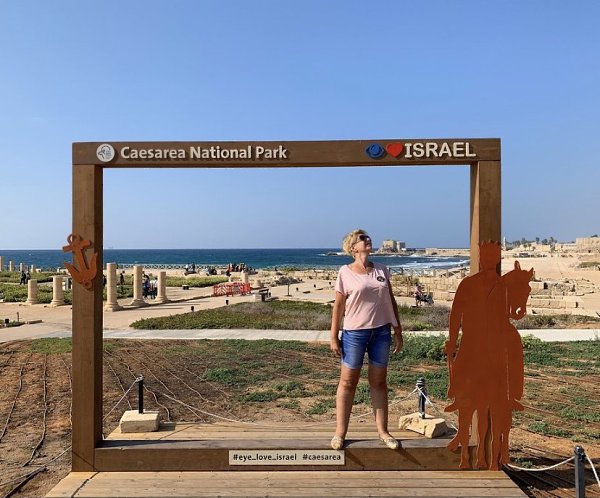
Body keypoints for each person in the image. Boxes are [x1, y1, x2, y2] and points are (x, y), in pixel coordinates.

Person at [330, 229, 403, 450]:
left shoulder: (381, 269)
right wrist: (333, 336)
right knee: (348, 382)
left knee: (379, 382)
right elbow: (338, 307)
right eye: (362, 238)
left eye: (367, 237)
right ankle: (340, 433)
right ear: (353, 247)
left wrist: (398, 330)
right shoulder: (345, 272)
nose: (367, 240)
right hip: (354, 333)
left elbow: (390, 300)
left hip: (381, 332)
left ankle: (383, 432)